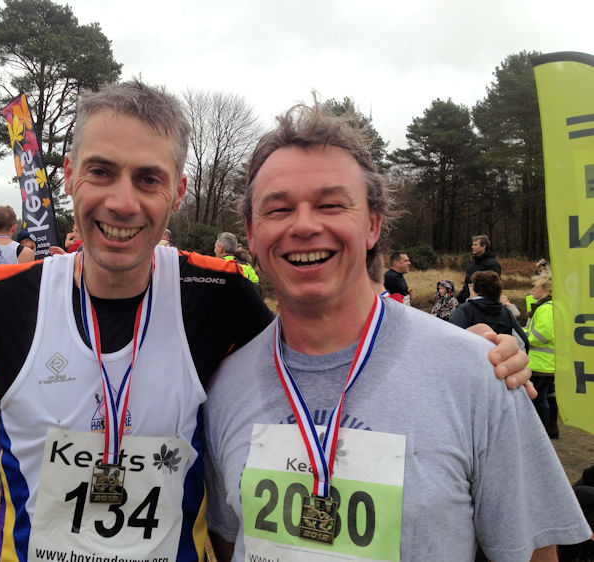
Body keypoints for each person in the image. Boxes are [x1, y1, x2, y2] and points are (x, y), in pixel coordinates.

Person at [0, 82, 530, 561]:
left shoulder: (216, 295)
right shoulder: (1, 299)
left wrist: (469, 352)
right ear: (68, 176)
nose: (121, 201)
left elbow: (322, 349)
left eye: (148, 179)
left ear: (179, 192)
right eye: (101, 171)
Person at [204, 101, 589, 561]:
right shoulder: (225, 386)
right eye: (278, 208)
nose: (304, 225)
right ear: (250, 232)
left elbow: (531, 554)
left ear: (372, 224)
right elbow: (230, 542)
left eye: (330, 204)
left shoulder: (480, 374)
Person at [450, 271, 528, 352]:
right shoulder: (505, 313)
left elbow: (451, 337)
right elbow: (522, 341)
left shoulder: (466, 309)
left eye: (471, 285)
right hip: (497, 360)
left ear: (475, 288)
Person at [525, 272, 558, 438]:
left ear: (545, 290)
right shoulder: (551, 306)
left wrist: (523, 337)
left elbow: (542, 335)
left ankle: (534, 433)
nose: (532, 291)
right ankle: (544, 432)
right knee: (542, 397)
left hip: (539, 364)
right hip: (548, 363)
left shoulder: (545, 309)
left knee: (531, 399)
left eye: (535, 287)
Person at [457, 235, 501, 303]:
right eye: (472, 244)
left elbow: (492, 288)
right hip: (467, 301)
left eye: (475, 245)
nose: (472, 247)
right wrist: (461, 297)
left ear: (483, 246)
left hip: (482, 304)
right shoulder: (473, 262)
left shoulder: (493, 265)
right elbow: (467, 282)